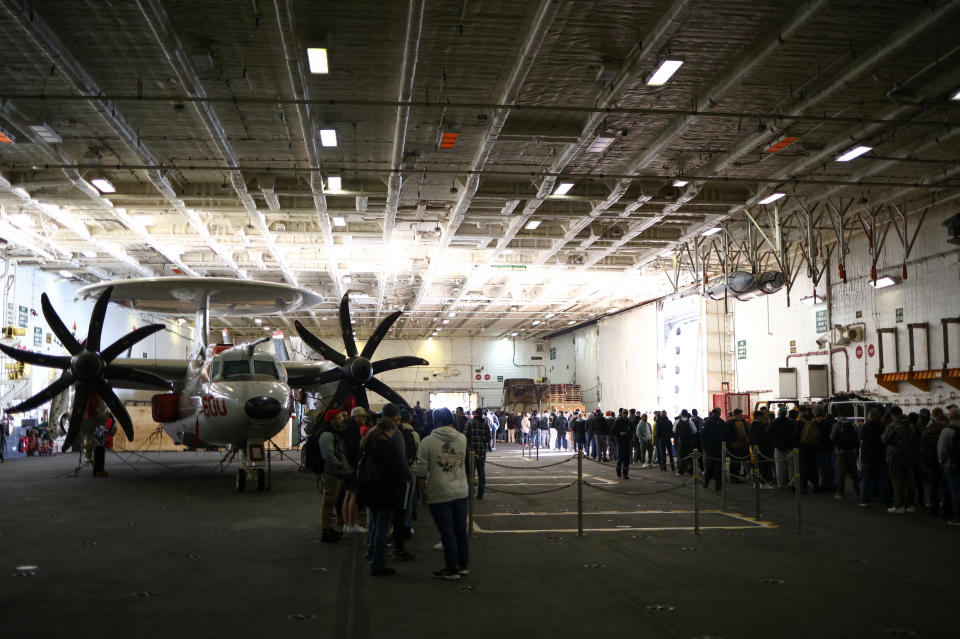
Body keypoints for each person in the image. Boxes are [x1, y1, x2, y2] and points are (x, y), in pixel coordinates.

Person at [417, 408, 470, 579]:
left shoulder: (427, 442)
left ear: (434, 421)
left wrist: (423, 493)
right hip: (461, 490)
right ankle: (463, 566)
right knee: (460, 530)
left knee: (446, 531)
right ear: (452, 419)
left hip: (439, 491)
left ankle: (452, 568)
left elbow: (421, 471)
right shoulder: (462, 438)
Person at [358, 404, 408, 576]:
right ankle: (377, 563)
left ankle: (372, 553)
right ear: (390, 429)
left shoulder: (370, 441)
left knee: (374, 525)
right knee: (382, 528)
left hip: (370, 490)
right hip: (385, 492)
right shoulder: (386, 447)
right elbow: (396, 469)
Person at [319, 409, 352, 543]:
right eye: (338, 418)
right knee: (328, 501)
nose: (341, 420)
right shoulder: (327, 435)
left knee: (331, 501)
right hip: (331, 472)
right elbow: (328, 455)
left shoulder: (334, 433)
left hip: (336, 472)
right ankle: (325, 530)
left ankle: (327, 528)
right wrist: (340, 466)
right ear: (331, 420)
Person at [395, 407, 421, 560]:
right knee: (409, 499)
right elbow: (417, 449)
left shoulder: (394, 432)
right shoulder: (413, 433)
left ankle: (399, 527)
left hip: (396, 470)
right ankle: (406, 525)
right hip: (410, 468)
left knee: (399, 500)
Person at [882, 406, 916, 514]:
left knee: (897, 482)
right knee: (910, 481)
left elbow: (884, 439)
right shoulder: (910, 424)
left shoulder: (892, 425)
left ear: (893, 415)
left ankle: (900, 505)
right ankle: (911, 505)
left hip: (895, 456)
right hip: (908, 455)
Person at [340, 407, 368, 534]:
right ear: (356, 416)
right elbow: (353, 451)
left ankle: (347, 523)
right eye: (362, 416)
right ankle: (352, 523)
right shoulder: (353, 430)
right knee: (355, 496)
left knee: (348, 495)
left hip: (346, 467)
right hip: (352, 467)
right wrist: (356, 466)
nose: (365, 419)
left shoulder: (347, 427)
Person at [922, 408, 952, 519]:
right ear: (944, 421)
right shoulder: (946, 430)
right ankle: (947, 510)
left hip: (929, 463)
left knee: (933, 488)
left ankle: (933, 511)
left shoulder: (928, 429)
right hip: (943, 462)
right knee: (946, 487)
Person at [860, 409, 892, 507]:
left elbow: (859, 437)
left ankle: (865, 500)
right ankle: (886, 501)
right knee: (883, 481)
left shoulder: (864, 427)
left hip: (867, 457)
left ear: (869, 417)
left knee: (866, 480)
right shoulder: (884, 426)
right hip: (881, 456)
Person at [936, 407, 960, 526]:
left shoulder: (947, 430)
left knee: (955, 491)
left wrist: (941, 461)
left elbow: (941, 449)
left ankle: (957, 517)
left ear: (950, 417)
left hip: (951, 464)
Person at [831, 418, 860, 500]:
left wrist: (837, 445)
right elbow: (857, 439)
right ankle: (857, 493)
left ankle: (840, 493)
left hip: (840, 452)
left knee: (840, 472)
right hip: (852, 451)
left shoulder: (837, 426)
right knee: (854, 473)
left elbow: (832, 438)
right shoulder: (853, 426)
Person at [700, 407, 728, 491]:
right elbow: (725, 436)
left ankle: (707, 482)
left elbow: (703, 437)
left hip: (711, 449)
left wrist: (705, 448)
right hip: (718, 449)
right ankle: (717, 485)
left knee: (710, 467)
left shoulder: (707, 423)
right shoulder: (722, 423)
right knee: (718, 468)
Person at [465, 408, 490, 500]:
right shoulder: (485, 424)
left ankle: (469, 493)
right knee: (481, 473)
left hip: (471, 452)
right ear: (482, 414)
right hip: (482, 452)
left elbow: (465, 436)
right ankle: (480, 494)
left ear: (475, 414)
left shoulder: (470, 423)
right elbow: (488, 438)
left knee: (470, 473)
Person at [770, 408, 796, 489]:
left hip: (778, 447)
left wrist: (775, 442)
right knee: (792, 467)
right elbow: (794, 435)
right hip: (790, 447)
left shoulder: (774, 422)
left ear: (779, 413)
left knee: (779, 467)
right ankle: (792, 484)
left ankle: (781, 484)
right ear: (786, 413)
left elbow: (769, 435)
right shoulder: (790, 422)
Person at [612, 409, 633, 479]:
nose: (625, 415)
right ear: (622, 413)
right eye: (624, 413)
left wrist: (628, 435)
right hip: (620, 442)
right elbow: (613, 431)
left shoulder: (629, 422)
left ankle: (625, 474)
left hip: (627, 442)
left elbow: (632, 431)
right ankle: (618, 472)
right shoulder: (618, 421)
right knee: (620, 458)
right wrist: (619, 433)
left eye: (626, 413)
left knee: (626, 459)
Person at [675, 410, 696, 475]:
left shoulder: (678, 421)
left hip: (681, 442)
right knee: (690, 456)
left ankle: (681, 471)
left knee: (681, 456)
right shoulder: (690, 422)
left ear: (681, 414)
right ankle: (691, 471)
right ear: (687, 414)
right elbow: (695, 431)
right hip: (689, 442)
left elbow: (674, 430)